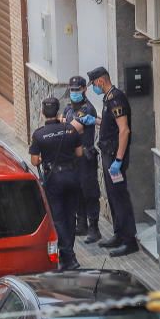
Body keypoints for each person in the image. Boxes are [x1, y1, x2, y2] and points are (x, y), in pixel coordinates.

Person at [88, 66, 139, 257]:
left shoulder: (116, 98)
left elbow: (124, 130)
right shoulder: (108, 98)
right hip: (109, 154)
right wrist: (95, 120)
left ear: (100, 81)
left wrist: (118, 159)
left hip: (115, 156)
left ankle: (129, 240)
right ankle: (119, 234)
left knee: (120, 197)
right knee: (112, 196)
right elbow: (110, 123)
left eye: (94, 84)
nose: (94, 87)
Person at [30, 97, 83, 271]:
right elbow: (80, 152)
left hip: (54, 180)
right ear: (59, 112)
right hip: (73, 176)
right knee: (70, 217)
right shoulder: (70, 129)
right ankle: (69, 254)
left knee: (58, 219)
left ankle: (69, 256)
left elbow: (35, 161)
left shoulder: (39, 134)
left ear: (43, 113)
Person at [62, 75, 101, 244]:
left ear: (85, 89)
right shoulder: (68, 108)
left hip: (85, 156)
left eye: (77, 90)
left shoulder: (88, 109)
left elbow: (71, 129)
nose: (74, 93)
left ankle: (94, 228)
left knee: (89, 192)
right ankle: (81, 223)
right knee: (76, 190)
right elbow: (66, 126)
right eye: (72, 90)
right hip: (72, 157)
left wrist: (65, 125)